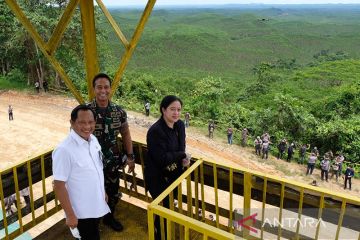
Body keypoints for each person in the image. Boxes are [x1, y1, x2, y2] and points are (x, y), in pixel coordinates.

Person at [52, 105, 110, 240]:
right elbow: (59, 185)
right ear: (72, 123)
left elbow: (96, 170)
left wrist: (103, 191)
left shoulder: (93, 140)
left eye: (90, 122)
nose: (87, 127)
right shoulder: (64, 150)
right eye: (82, 123)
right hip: (81, 213)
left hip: (95, 204)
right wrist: (70, 215)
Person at [87, 73, 135, 232]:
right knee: (92, 193)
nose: (103, 90)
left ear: (110, 89)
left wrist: (130, 156)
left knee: (113, 193)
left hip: (112, 162)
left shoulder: (118, 112)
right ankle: (92, 224)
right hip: (91, 163)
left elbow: (126, 134)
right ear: (94, 89)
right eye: (99, 87)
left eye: (106, 87)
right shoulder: (85, 112)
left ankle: (109, 218)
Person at [145, 95, 190, 240]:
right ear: (163, 110)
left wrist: (182, 158)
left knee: (169, 205)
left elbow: (181, 146)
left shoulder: (180, 125)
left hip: (174, 174)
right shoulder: (155, 131)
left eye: (178, 110)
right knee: (162, 207)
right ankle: (159, 235)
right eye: (172, 109)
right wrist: (182, 154)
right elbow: (162, 159)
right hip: (157, 176)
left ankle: (163, 231)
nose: (176, 113)